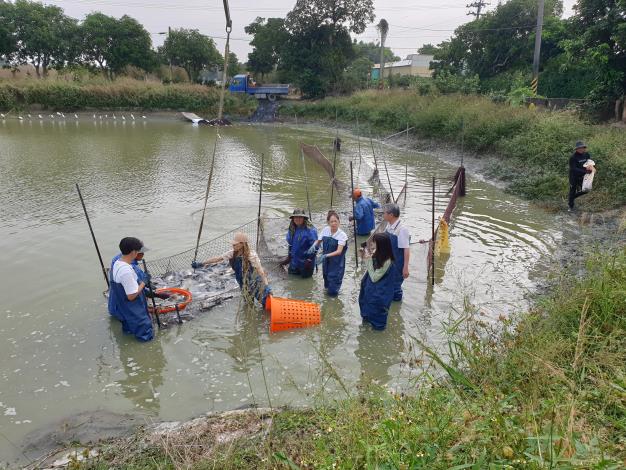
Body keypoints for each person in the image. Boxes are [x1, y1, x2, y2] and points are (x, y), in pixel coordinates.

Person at [192, 232, 271, 308]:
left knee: (265, 303)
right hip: (242, 283)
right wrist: (201, 263)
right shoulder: (232, 253)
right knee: (248, 304)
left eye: (235, 244)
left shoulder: (252, 256)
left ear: (242, 244)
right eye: (233, 244)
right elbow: (217, 259)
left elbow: (261, 271)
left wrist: (267, 286)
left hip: (255, 282)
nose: (233, 245)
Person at [108, 237, 153, 342]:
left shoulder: (118, 262)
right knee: (146, 337)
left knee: (129, 332)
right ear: (133, 252)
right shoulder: (126, 271)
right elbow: (131, 296)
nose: (140, 254)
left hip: (125, 310)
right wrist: (144, 282)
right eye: (138, 251)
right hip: (134, 311)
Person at [358, 232, 395, 330]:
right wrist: (364, 255)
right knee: (366, 306)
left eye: (374, 242)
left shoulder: (388, 261)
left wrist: (367, 259)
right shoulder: (377, 252)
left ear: (381, 245)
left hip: (380, 291)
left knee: (377, 316)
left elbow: (374, 277)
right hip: (370, 288)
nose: (372, 244)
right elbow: (371, 264)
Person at [308, 210, 348, 296]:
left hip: (336, 263)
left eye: (335, 221)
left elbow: (339, 251)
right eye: (331, 221)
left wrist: (325, 255)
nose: (333, 223)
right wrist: (314, 246)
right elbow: (318, 241)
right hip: (326, 262)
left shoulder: (342, 235)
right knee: (326, 279)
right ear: (328, 222)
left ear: (339, 222)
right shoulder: (325, 230)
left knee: (333, 284)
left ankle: (333, 300)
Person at [383, 203, 410, 302]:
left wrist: (405, 268)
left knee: (395, 287)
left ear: (391, 215)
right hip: (389, 261)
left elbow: (406, 249)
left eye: (385, 213)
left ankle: (397, 305)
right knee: (388, 283)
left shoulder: (402, 229)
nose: (383, 214)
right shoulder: (389, 225)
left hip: (397, 263)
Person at [285, 208, 318, 278]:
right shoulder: (291, 229)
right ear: (293, 218)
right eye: (296, 217)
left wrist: (309, 259)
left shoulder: (310, 230)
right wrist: (289, 256)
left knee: (306, 284)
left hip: (306, 263)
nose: (298, 219)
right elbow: (290, 244)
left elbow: (316, 246)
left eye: (300, 217)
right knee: (291, 280)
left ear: (304, 218)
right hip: (294, 262)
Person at [568, 141, 594, 211]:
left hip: (583, 176)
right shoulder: (573, 157)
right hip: (573, 176)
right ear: (576, 149)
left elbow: (589, 163)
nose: (581, 149)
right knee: (572, 190)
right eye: (579, 148)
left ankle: (572, 197)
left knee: (586, 190)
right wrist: (585, 171)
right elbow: (573, 168)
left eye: (582, 148)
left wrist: (592, 169)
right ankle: (571, 207)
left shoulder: (586, 155)